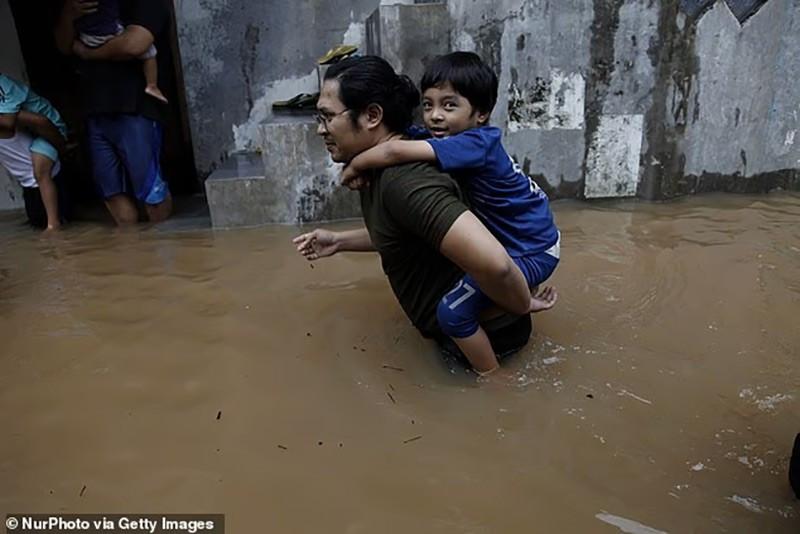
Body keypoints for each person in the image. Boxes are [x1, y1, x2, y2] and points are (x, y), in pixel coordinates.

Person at [293, 55, 544, 376]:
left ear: (372, 115)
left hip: (485, 337)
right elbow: (414, 232)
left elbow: (497, 264)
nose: (320, 129)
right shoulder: (384, 164)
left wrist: (522, 303)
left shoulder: (406, 183)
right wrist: (340, 241)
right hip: (472, 327)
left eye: (327, 117)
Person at [54, 0, 172, 226]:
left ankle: (163, 245)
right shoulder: (80, 6)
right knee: (110, 192)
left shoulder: (146, 4)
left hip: (136, 109)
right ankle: (134, 246)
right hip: (96, 111)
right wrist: (68, 14)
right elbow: (63, 46)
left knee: (152, 192)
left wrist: (88, 52)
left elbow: (133, 45)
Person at [0, 74, 70, 231]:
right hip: (37, 137)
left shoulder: (3, 86)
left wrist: (62, 148)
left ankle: (53, 224)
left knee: (41, 173)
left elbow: (10, 122)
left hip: (53, 129)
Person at [74, 0, 168, 104]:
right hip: (95, 96)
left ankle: (152, 85)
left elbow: (132, 46)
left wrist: (88, 54)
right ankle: (152, 85)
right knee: (150, 52)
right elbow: (131, 46)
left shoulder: (150, 5)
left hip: (130, 100)